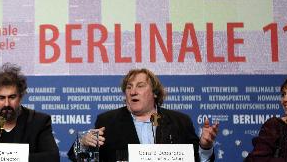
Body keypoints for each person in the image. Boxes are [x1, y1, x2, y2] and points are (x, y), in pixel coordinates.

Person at [68, 68, 218, 162]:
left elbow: (198, 159)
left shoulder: (179, 121)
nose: (133, 91)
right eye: (129, 87)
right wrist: (83, 144)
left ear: (154, 92)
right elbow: (78, 157)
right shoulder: (108, 121)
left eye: (140, 86)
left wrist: (205, 147)